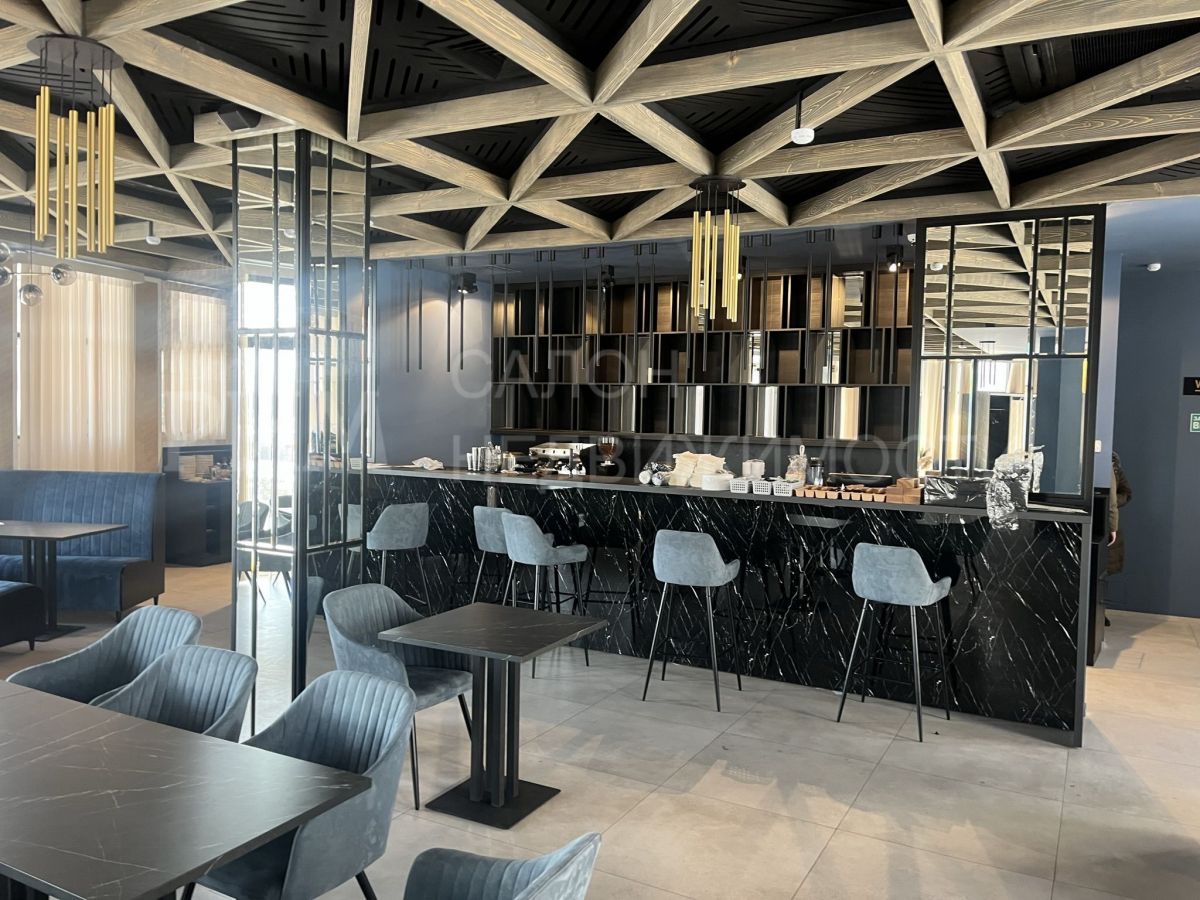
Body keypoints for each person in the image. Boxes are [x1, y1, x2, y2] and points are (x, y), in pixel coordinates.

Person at [1105, 452, 1133, 626]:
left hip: (1107, 523)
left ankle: (1099, 611)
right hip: (1099, 522)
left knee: (1102, 572)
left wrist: (1112, 500)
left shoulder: (1114, 465)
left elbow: (1127, 493)